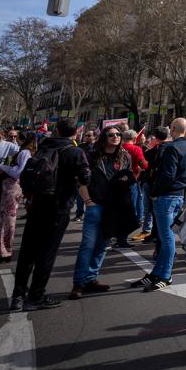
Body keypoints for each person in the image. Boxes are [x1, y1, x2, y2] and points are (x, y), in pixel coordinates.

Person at [9, 118, 92, 310]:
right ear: (76, 133)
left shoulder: (43, 147)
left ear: (56, 130)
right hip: (59, 206)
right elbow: (85, 178)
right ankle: (36, 295)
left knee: (28, 252)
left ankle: (18, 296)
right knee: (47, 252)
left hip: (36, 204)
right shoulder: (75, 151)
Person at [70, 126, 135, 299]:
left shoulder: (125, 156)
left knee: (102, 245)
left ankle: (91, 278)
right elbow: (80, 180)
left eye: (118, 135)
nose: (115, 137)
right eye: (111, 134)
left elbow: (131, 176)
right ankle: (79, 283)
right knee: (88, 245)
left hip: (113, 208)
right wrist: (88, 202)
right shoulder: (92, 156)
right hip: (95, 206)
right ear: (104, 137)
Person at [141, 118, 186, 292]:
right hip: (178, 194)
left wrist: (155, 193)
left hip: (167, 195)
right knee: (166, 236)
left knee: (166, 237)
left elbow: (167, 175)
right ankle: (158, 271)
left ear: (172, 128)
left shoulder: (173, 147)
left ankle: (165, 274)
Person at [0, 132, 36, 264]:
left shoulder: (25, 152)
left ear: (22, 138)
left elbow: (18, 172)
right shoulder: (23, 151)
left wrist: (1, 166)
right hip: (9, 187)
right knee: (3, 219)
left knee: (7, 220)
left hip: (12, 187)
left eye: (16, 137)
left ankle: (4, 251)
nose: (14, 139)